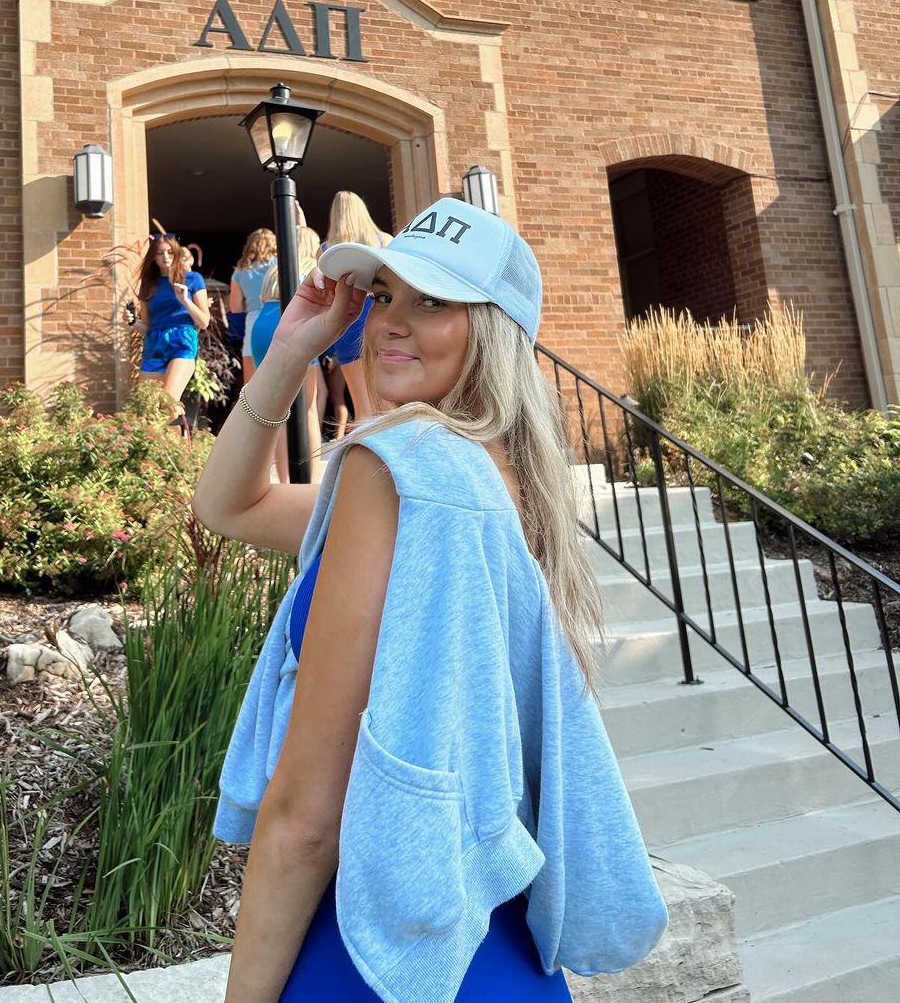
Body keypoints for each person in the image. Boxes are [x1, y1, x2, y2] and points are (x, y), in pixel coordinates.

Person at [194, 196, 667, 1002]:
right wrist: (296, 347)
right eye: (385, 295)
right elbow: (230, 505)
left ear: (492, 330)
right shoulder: (493, 487)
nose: (390, 322)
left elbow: (305, 817)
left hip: (377, 959)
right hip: (498, 953)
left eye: (434, 300)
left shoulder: (400, 468)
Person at [250, 254, 324, 480]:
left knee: (278, 412)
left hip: (263, 322)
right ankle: (311, 483)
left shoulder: (277, 266)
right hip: (292, 317)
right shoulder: (307, 267)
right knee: (308, 409)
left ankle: (285, 481)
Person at [321, 191, 390, 423]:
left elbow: (327, 296)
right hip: (381, 317)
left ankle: (364, 448)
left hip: (348, 323)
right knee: (391, 404)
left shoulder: (326, 251)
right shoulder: (385, 241)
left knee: (363, 407)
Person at [131, 233, 211, 427]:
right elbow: (147, 327)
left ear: (176, 253)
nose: (165, 257)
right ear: (153, 257)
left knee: (168, 402)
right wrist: (133, 322)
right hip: (155, 344)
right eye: (159, 253)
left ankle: (177, 441)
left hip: (182, 341)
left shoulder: (192, 279)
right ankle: (164, 442)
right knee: (147, 407)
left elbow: (204, 321)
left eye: (169, 252)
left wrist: (185, 300)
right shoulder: (148, 285)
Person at [230, 227, 278, 384]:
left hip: (253, 321)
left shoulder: (240, 272)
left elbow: (235, 308)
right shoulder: (279, 265)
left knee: (251, 385)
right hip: (277, 315)